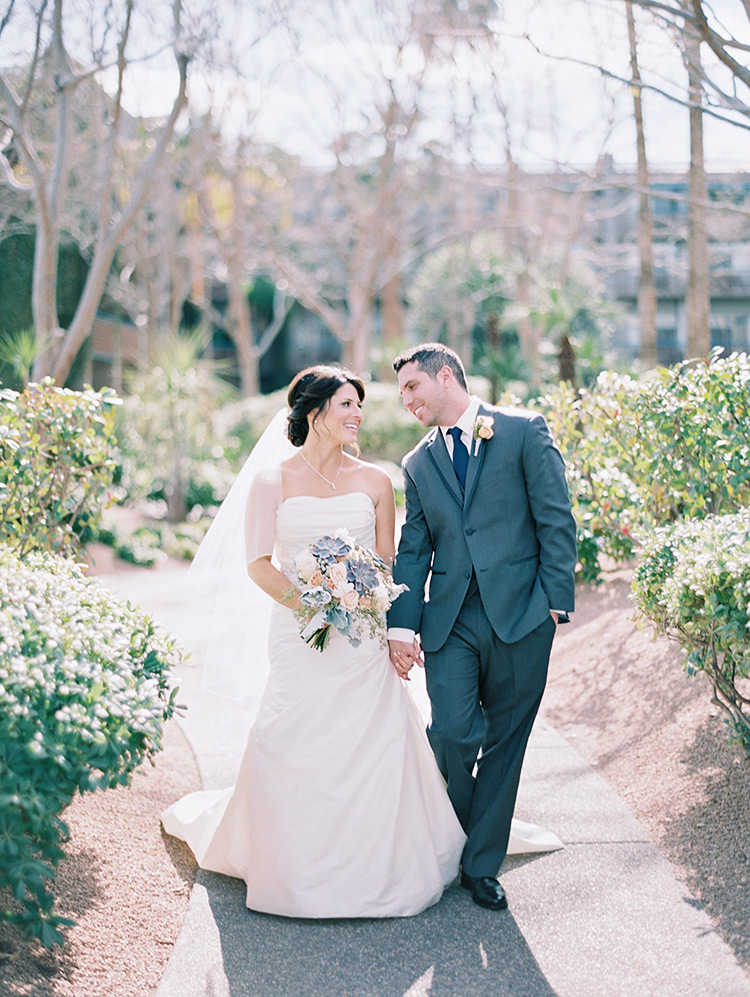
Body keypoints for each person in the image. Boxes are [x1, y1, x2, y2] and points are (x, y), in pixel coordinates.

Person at [161, 365, 466, 918]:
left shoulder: (375, 481)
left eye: (359, 405)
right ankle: (293, 868)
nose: (357, 415)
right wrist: (318, 605)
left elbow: (386, 564)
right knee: (289, 733)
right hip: (298, 632)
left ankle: (376, 866)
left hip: (362, 640)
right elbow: (258, 564)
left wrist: (366, 610)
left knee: (370, 740)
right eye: (346, 404)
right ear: (313, 411)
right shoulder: (270, 481)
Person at [388, 343, 577, 912]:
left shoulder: (521, 430)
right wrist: (402, 626)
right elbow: (413, 548)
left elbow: (555, 515)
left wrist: (554, 603)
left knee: (506, 743)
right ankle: (466, 832)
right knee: (452, 733)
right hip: (450, 619)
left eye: (412, 388)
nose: (406, 402)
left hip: (523, 613)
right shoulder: (417, 463)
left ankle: (479, 866)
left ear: (445, 376)